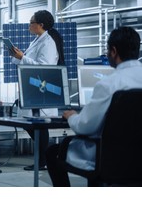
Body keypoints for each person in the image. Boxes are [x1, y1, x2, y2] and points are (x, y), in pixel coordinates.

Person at [46, 26, 142, 186]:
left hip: (111, 159)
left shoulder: (109, 84)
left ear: (114, 51)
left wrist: (72, 117)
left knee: (53, 152)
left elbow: (85, 127)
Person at [9, 10, 65, 171]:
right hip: (33, 86)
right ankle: (43, 160)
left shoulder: (48, 43)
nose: (29, 24)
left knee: (39, 126)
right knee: (30, 123)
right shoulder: (38, 40)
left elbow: (44, 67)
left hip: (42, 87)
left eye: (32, 21)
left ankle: (43, 161)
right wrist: (17, 56)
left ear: (40, 25)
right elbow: (28, 62)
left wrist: (22, 57)